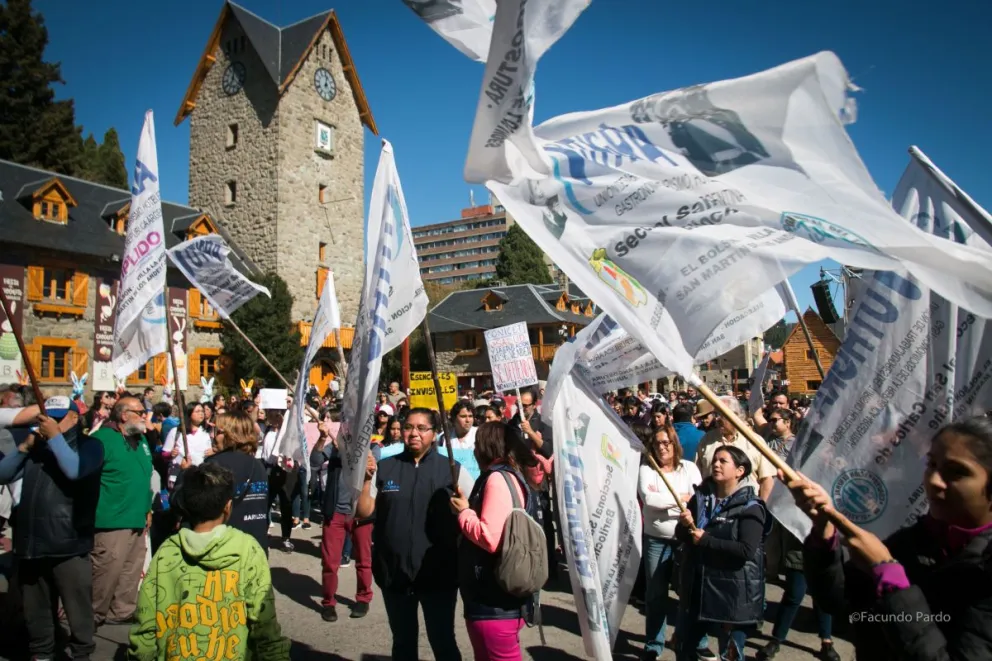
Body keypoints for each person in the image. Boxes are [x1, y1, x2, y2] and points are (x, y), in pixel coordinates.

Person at [789, 416, 992, 660]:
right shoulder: (914, 539)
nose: (934, 480)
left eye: (956, 472)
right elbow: (836, 601)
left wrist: (891, 581)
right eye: (932, 464)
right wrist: (824, 531)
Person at [127, 463, 290, 660]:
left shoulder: (166, 552)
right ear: (228, 507)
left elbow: (145, 624)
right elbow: (264, 623)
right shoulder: (248, 549)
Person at [355, 408, 475, 661]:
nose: (414, 434)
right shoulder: (386, 467)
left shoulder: (453, 470)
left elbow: (475, 513)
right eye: (408, 427)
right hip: (394, 572)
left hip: (439, 574)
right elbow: (364, 511)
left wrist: (464, 509)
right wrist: (365, 480)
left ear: (434, 433)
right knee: (402, 642)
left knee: (443, 640)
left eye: (422, 428)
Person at [0, 397, 103, 661]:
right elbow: (3, 474)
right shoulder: (39, 447)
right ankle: (42, 654)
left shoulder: (90, 446)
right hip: (32, 544)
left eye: (57, 419)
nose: (49, 423)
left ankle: (81, 655)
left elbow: (74, 470)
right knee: (37, 614)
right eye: (46, 418)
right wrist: (23, 448)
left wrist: (56, 437)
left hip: (69, 544)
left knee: (78, 613)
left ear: (74, 418)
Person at [449, 422, 540, 660]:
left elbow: (490, 538)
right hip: (494, 598)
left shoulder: (497, 479)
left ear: (488, 446)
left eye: (478, 444)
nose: (474, 450)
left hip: (494, 599)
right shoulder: (506, 475)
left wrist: (464, 512)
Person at [759, 406, 839, 661]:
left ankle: (827, 642)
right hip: (798, 535)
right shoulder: (795, 469)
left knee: (823, 596)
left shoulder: (834, 468)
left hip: (825, 539)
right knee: (794, 593)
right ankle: (776, 639)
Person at [676, 445, 770, 661]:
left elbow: (747, 550)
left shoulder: (751, 506)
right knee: (685, 649)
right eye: (715, 460)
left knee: (730, 655)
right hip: (699, 587)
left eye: (723, 461)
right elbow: (684, 536)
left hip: (732, 593)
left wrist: (707, 540)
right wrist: (684, 526)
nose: (716, 464)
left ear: (740, 471)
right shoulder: (701, 497)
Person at [638, 425, 702, 661]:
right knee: (655, 595)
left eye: (666, 442)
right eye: (657, 443)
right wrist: (680, 499)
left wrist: (673, 500)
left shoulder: (690, 468)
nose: (662, 447)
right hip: (656, 539)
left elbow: (697, 498)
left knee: (688, 593)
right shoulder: (647, 469)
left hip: (685, 540)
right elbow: (649, 499)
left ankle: (691, 640)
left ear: (675, 444)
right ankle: (653, 644)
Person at [90, 395, 154, 628]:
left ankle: (122, 610)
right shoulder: (101, 440)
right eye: (140, 412)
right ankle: (93, 613)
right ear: (124, 415)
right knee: (107, 569)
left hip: (137, 515)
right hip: (111, 519)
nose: (145, 416)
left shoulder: (141, 440)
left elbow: (145, 476)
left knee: (131, 568)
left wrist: (147, 508)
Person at [319, 409, 379, 622]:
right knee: (330, 562)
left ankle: (363, 598)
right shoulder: (334, 446)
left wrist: (360, 454)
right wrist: (322, 437)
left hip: (361, 513)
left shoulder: (373, 447)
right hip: (335, 511)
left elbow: (372, 464)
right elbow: (315, 460)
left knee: (363, 559)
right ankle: (328, 602)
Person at [203, 411, 270, 552]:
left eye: (218, 431)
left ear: (231, 434)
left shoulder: (215, 464)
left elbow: (195, 503)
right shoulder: (258, 465)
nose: (213, 436)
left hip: (225, 547)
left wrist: (185, 474)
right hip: (257, 545)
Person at [694, 396, 776, 501]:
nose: (717, 419)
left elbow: (766, 480)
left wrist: (762, 507)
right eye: (716, 414)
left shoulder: (755, 441)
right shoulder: (706, 440)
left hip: (746, 505)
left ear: (735, 415)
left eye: (721, 414)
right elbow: (697, 475)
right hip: (712, 504)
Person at [448, 401, 480, 481]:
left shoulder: (480, 435)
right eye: (463, 416)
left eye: (470, 416)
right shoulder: (444, 438)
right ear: (454, 418)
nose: (468, 420)